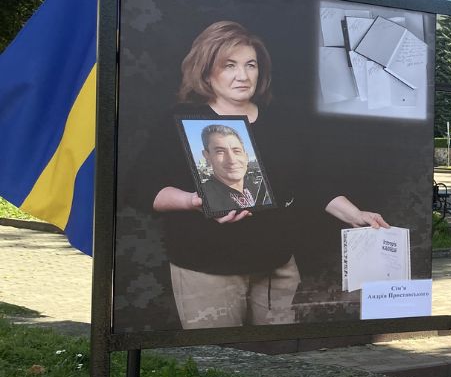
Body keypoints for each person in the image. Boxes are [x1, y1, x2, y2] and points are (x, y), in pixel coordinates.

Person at [147, 21, 387, 329]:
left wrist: (355, 215)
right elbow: (146, 189)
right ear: (206, 71)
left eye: (251, 65)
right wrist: (194, 201)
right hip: (207, 263)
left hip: (277, 263)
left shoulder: (283, 122)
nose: (243, 75)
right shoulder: (180, 120)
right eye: (229, 65)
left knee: (280, 352)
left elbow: (312, 182)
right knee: (220, 355)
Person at [196, 124, 272, 213]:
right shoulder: (205, 197)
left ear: (246, 157)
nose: (232, 160)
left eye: (237, 151)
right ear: (207, 156)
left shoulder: (257, 188)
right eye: (220, 151)